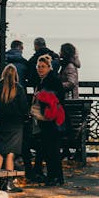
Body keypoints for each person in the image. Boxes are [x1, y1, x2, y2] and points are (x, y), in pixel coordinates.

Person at [31, 53, 65, 186]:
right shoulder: (43, 80)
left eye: (43, 67)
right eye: (39, 66)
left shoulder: (51, 80)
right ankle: (53, 176)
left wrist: (41, 95)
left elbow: (57, 97)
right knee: (49, 150)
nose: (40, 69)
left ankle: (55, 177)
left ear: (49, 67)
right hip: (48, 120)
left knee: (52, 150)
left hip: (51, 120)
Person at [0, 64, 29, 182]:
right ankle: (8, 181)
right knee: (11, 153)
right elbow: (24, 107)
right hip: (16, 124)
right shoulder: (19, 88)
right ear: (15, 75)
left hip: (2, 122)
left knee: (0, 151)